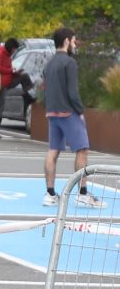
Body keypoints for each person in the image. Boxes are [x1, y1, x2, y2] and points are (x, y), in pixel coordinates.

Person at [41, 27, 100, 208]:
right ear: (66, 41)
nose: (74, 44)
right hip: (68, 113)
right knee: (82, 149)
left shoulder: (49, 64)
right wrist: (80, 112)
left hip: (52, 113)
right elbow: (73, 92)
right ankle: (82, 193)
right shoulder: (69, 63)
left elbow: (44, 89)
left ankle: (50, 194)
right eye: (73, 41)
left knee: (53, 151)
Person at [0, 37, 37, 138]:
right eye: (14, 49)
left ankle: (29, 95)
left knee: (24, 76)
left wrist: (15, 73)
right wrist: (10, 71)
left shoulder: (7, 54)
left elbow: (6, 69)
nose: (14, 51)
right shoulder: (0, 53)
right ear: (10, 47)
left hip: (8, 80)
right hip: (0, 84)